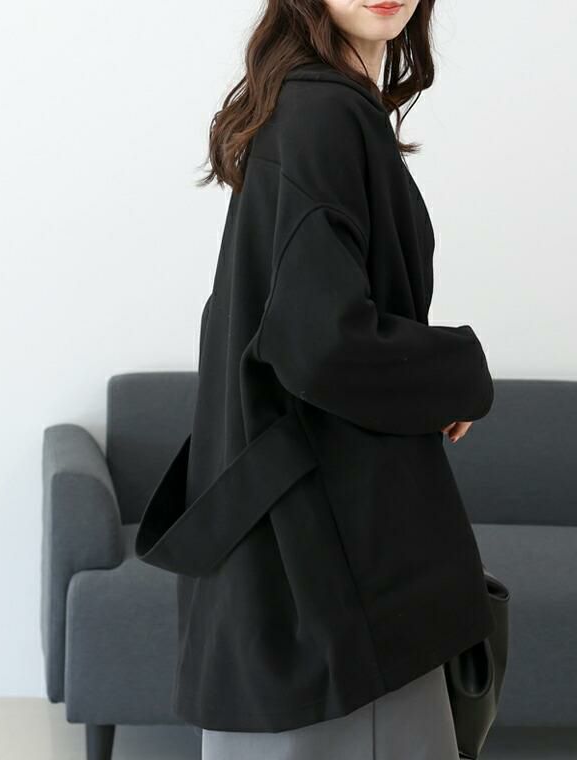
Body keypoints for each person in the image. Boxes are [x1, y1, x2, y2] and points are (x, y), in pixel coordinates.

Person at [135, 1, 497, 758]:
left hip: (300, 547)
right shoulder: (321, 116)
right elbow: (319, 343)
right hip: (335, 558)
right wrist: (458, 371)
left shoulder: (306, 107)